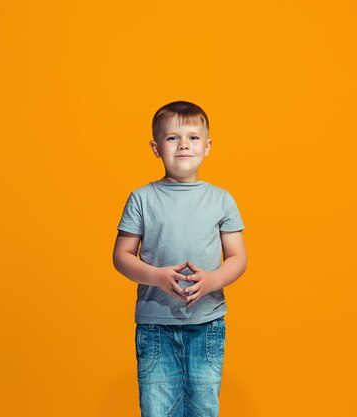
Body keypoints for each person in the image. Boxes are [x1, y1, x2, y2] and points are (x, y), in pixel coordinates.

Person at [112, 100, 248, 417]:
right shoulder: (142, 198)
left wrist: (213, 279)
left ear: (207, 146)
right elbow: (121, 256)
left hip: (207, 324)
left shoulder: (221, 199)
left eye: (193, 137)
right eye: (173, 137)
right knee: (158, 408)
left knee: (202, 407)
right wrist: (157, 277)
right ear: (156, 147)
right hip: (155, 325)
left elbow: (238, 258)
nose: (184, 144)